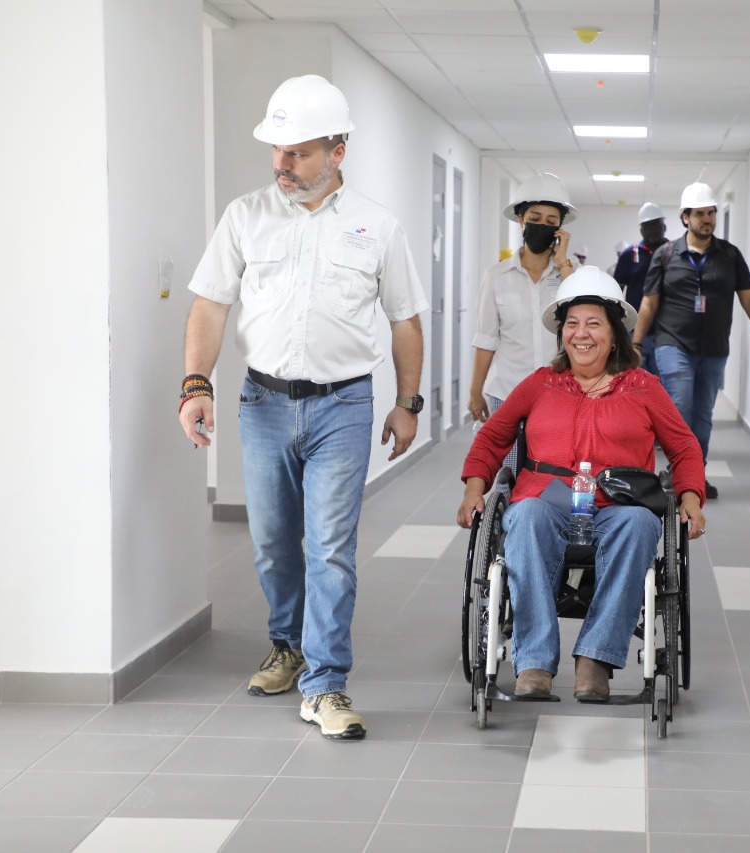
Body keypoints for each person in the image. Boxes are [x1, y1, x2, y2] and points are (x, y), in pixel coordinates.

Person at [178, 75, 428, 739]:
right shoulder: (246, 215)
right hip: (262, 403)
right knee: (270, 546)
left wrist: (407, 402)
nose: (282, 165)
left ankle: (325, 683)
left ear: (338, 151)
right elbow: (210, 303)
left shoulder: (378, 226)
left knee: (331, 549)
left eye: (299, 152)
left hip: (343, 405)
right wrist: (195, 383)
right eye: (278, 151)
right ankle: (287, 646)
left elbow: (405, 321)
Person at [457, 267, 706, 702]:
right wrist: (473, 489)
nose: (581, 334)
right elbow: (493, 437)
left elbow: (684, 447)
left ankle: (594, 658)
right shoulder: (540, 383)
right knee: (526, 514)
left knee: (639, 525)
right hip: (546, 501)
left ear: (615, 334)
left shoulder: (644, 388)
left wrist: (690, 497)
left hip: (618, 505)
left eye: (594, 324)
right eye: (572, 324)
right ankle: (534, 662)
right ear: (561, 334)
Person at [632, 182, 750, 498]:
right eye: (700, 213)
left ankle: (694, 476)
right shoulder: (666, 254)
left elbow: (749, 298)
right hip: (672, 346)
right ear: (685, 217)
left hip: (714, 349)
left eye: (711, 213)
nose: (707, 219)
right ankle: (677, 475)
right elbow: (649, 302)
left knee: (702, 417)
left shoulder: (729, 255)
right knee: (680, 410)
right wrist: (636, 342)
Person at [468, 173, 578, 439]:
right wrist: (475, 392)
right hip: (507, 392)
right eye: (535, 219)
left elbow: (582, 314)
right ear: (521, 220)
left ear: (561, 229)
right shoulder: (496, 276)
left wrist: (563, 262)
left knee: (553, 473)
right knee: (507, 475)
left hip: (560, 392)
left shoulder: (571, 275)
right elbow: (486, 339)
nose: (542, 226)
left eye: (551, 222)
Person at [613, 201, 668, 374]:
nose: (652, 230)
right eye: (647, 226)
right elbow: (616, 292)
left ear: (664, 227)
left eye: (656, 225)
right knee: (637, 381)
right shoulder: (629, 255)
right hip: (635, 332)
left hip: (666, 332)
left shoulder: (674, 252)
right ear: (641, 230)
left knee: (665, 386)